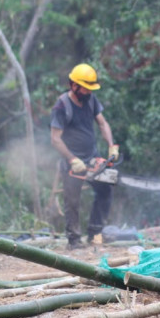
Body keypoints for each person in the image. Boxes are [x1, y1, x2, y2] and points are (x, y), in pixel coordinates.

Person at [50, 63, 119, 249]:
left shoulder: (91, 100)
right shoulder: (62, 105)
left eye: (91, 89)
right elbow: (55, 139)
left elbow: (103, 124)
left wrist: (111, 145)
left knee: (105, 190)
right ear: (74, 85)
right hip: (72, 162)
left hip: (92, 157)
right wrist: (72, 159)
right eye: (85, 88)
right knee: (72, 201)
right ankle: (74, 240)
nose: (89, 92)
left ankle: (95, 233)